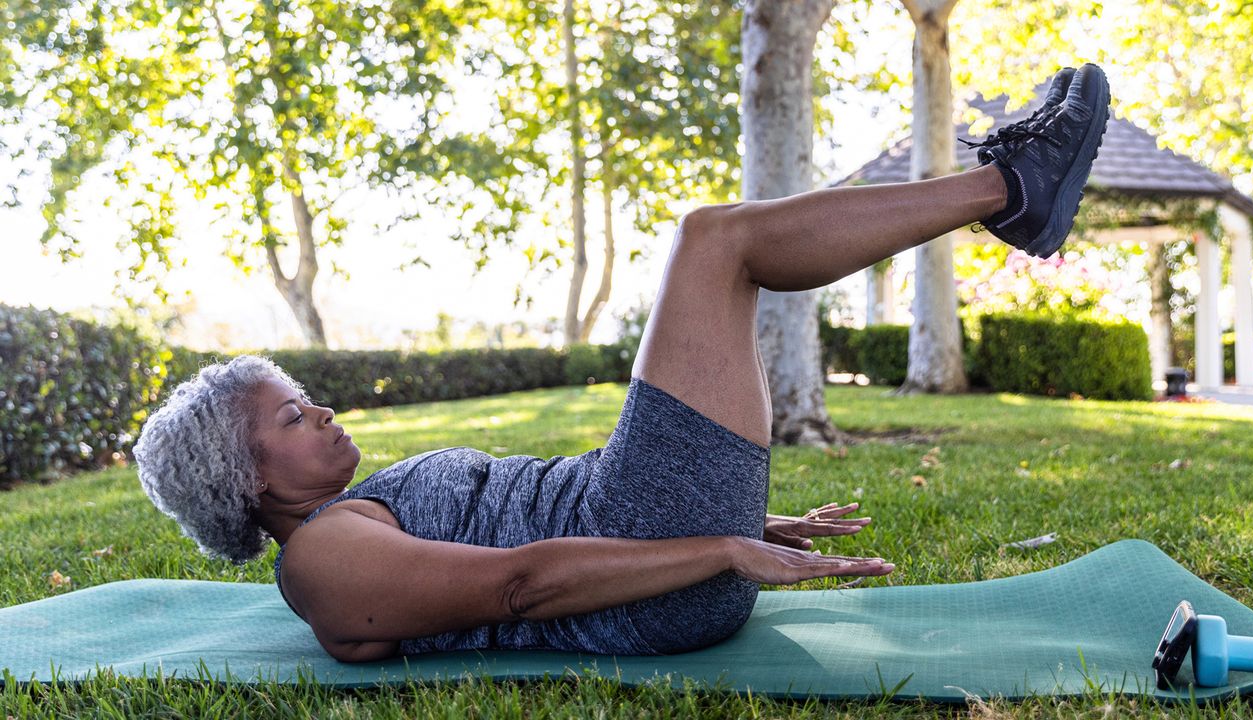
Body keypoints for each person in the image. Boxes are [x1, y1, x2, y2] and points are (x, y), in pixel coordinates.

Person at [134, 63, 1111, 663]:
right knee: (714, 244)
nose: (325, 415)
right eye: (293, 419)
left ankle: (1009, 188)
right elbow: (517, 584)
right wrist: (722, 550)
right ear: (245, 476)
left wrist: (747, 521)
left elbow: (512, 536)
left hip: (640, 531)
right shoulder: (320, 559)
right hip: (644, 565)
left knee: (718, 247)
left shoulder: (352, 521)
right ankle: (1009, 186)